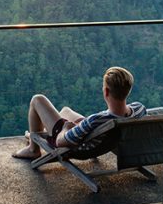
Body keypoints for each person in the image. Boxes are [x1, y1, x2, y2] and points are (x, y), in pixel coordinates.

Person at [13, 66, 147, 159]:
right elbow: (112, 117)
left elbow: (60, 142)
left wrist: (66, 128)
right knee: (66, 110)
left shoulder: (96, 120)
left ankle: (33, 148)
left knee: (38, 99)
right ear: (128, 90)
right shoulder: (139, 109)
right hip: (100, 139)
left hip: (83, 147)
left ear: (106, 91)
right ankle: (34, 136)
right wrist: (82, 125)